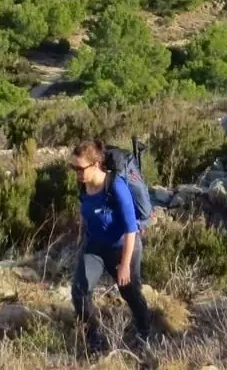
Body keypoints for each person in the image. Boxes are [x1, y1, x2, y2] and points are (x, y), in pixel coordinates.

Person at [70, 141, 152, 353]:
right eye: (74, 168)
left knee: (130, 292)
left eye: (80, 168)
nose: (77, 173)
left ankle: (144, 334)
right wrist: (82, 237)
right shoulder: (83, 185)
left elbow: (131, 229)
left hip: (122, 248)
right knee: (79, 291)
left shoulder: (115, 186)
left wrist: (124, 264)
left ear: (96, 164)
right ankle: (94, 338)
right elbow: (85, 211)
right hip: (94, 246)